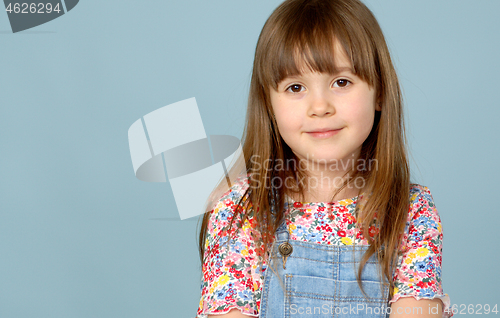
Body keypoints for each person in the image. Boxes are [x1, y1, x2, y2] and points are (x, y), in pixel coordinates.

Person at [196, 0, 452, 317]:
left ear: (380, 92)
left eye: (341, 82)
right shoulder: (241, 212)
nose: (320, 106)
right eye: (295, 87)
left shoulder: (410, 213)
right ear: (269, 105)